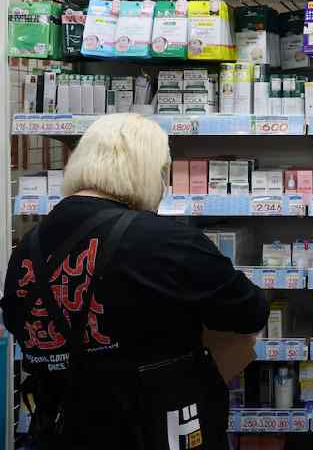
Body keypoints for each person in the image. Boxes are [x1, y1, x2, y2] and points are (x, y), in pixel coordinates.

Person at [2, 113, 269, 450]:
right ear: (150, 171)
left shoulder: (29, 246)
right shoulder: (165, 241)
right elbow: (251, 311)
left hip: (62, 427)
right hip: (155, 427)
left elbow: (16, 320)